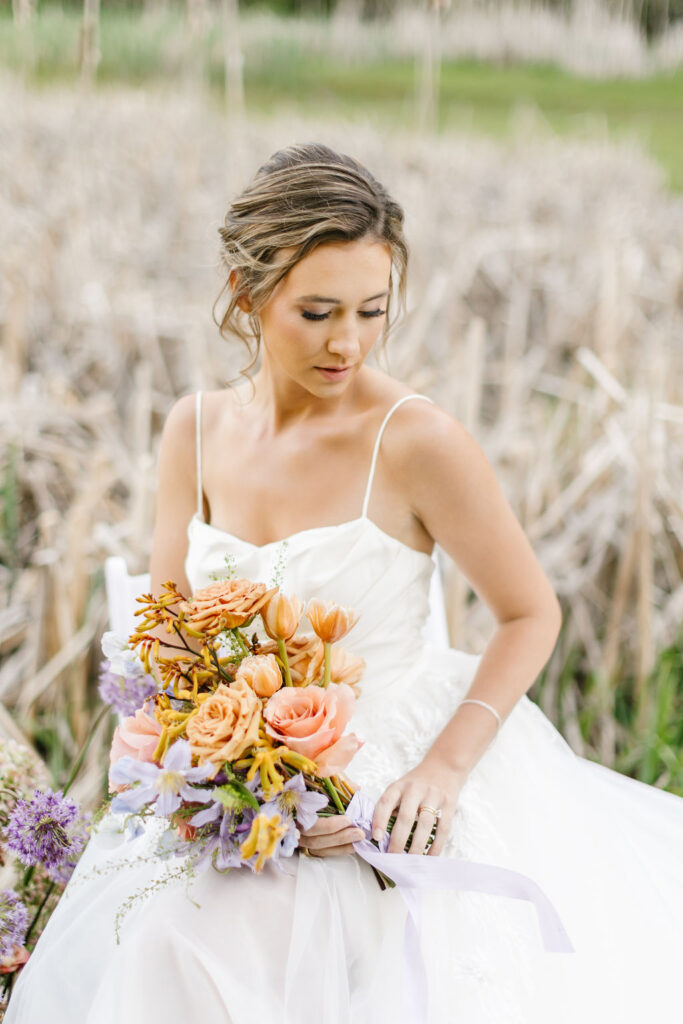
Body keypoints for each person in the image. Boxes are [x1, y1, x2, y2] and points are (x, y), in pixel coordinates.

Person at [6, 143, 683, 1024]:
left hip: (393, 769)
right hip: (229, 780)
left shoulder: (416, 441)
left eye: (372, 310)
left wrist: (438, 774)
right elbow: (167, 635)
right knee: (163, 939)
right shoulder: (195, 431)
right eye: (318, 311)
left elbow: (529, 613)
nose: (349, 342)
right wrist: (210, 779)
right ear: (247, 295)